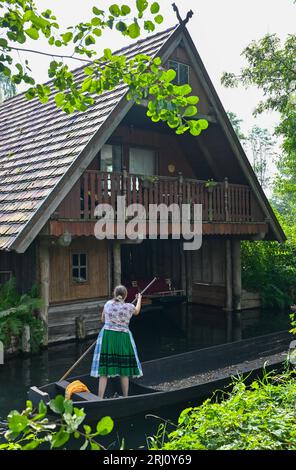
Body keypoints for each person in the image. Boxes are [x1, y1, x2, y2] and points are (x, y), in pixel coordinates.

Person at [90, 285, 143, 398]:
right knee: (124, 370)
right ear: (126, 295)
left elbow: (102, 319)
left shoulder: (108, 304)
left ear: (114, 294)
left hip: (108, 336)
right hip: (123, 337)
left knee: (104, 370)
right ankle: (125, 396)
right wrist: (139, 299)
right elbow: (137, 311)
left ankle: (99, 398)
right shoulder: (129, 307)